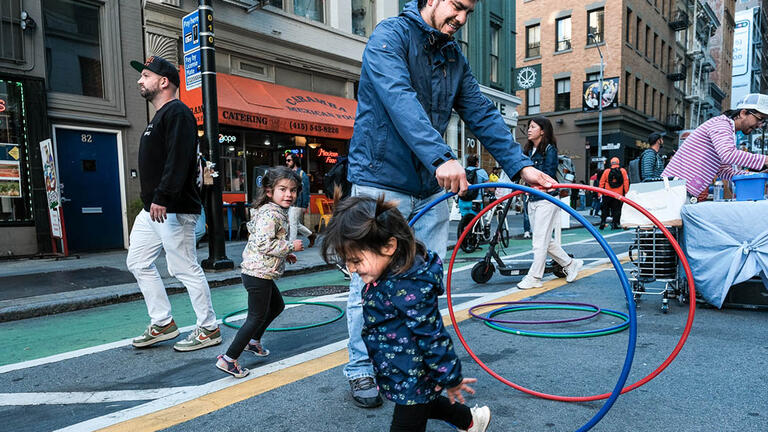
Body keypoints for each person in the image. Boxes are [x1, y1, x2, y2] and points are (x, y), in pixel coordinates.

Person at [344, 0, 555, 407]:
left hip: (430, 188)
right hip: (380, 184)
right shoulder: (389, 37)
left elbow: (480, 113)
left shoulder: (454, 57)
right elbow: (399, 101)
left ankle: (422, 365)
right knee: (367, 283)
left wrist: (520, 166)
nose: (461, 18)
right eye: (457, 6)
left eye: (468, 12)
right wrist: (442, 156)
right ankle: (360, 368)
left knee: (424, 285)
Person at [321, 196, 491, 432]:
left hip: (414, 374)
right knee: (427, 403)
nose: (351, 269)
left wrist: (450, 378)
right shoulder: (386, 274)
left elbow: (432, 335)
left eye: (356, 260)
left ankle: (469, 420)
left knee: (410, 416)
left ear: (389, 247)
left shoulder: (410, 286)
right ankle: (470, 420)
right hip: (399, 368)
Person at [126, 56, 221, 351]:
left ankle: (209, 328)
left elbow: (179, 159)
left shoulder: (177, 113)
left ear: (163, 81)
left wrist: (164, 197)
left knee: (184, 268)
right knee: (138, 262)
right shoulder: (159, 117)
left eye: (145, 76)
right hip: (152, 210)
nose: (140, 81)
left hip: (172, 208)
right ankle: (163, 323)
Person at [215, 166, 304, 378]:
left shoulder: (273, 211)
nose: (289, 194)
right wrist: (291, 247)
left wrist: (284, 254)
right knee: (255, 317)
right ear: (269, 191)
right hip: (258, 274)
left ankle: (253, 342)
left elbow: (266, 243)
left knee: (277, 306)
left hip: (261, 271)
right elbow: (264, 244)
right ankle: (228, 359)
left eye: (292, 190)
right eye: (283, 189)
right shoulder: (270, 214)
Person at [517, 117, 583, 290]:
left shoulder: (549, 150)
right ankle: (570, 264)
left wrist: (534, 188)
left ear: (543, 131)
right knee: (545, 240)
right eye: (528, 127)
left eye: (533, 127)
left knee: (539, 241)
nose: (529, 130)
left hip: (547, 200)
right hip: (531, 199)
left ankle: (535, 277)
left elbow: (548, 175)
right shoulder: (528, 150)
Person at [663, 93, 768, 202]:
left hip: (681, 191)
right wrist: (765, 160)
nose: (760, 125)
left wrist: (758, 175)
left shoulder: (728, 132)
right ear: (743, 113)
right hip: (673, 190)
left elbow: (725, 171)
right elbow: (728, 155)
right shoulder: (721, 124)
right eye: (760, 119)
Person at [285, 153, 317, 247]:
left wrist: (304, 205)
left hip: (297, 203)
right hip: (289, 202)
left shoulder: (302, 174)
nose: (286, 162)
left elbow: (306, 191)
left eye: (289, 160)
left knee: (293, 224)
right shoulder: (288, 173)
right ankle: (311, 235)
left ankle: (292, 245)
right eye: (286, 160)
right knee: (295, 223)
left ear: (294, 161)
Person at [598, 157, 629, 230]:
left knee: (605, 209)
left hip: (607, 193)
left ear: (611, 163)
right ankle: (615, 224)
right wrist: (626, 193)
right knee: (616, 210)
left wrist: (599, 193)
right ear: (618, 163)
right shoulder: (623, 171)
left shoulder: (606, 171)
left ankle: (603, 222)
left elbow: (601, 183)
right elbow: (626, 182)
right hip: (618, 195)